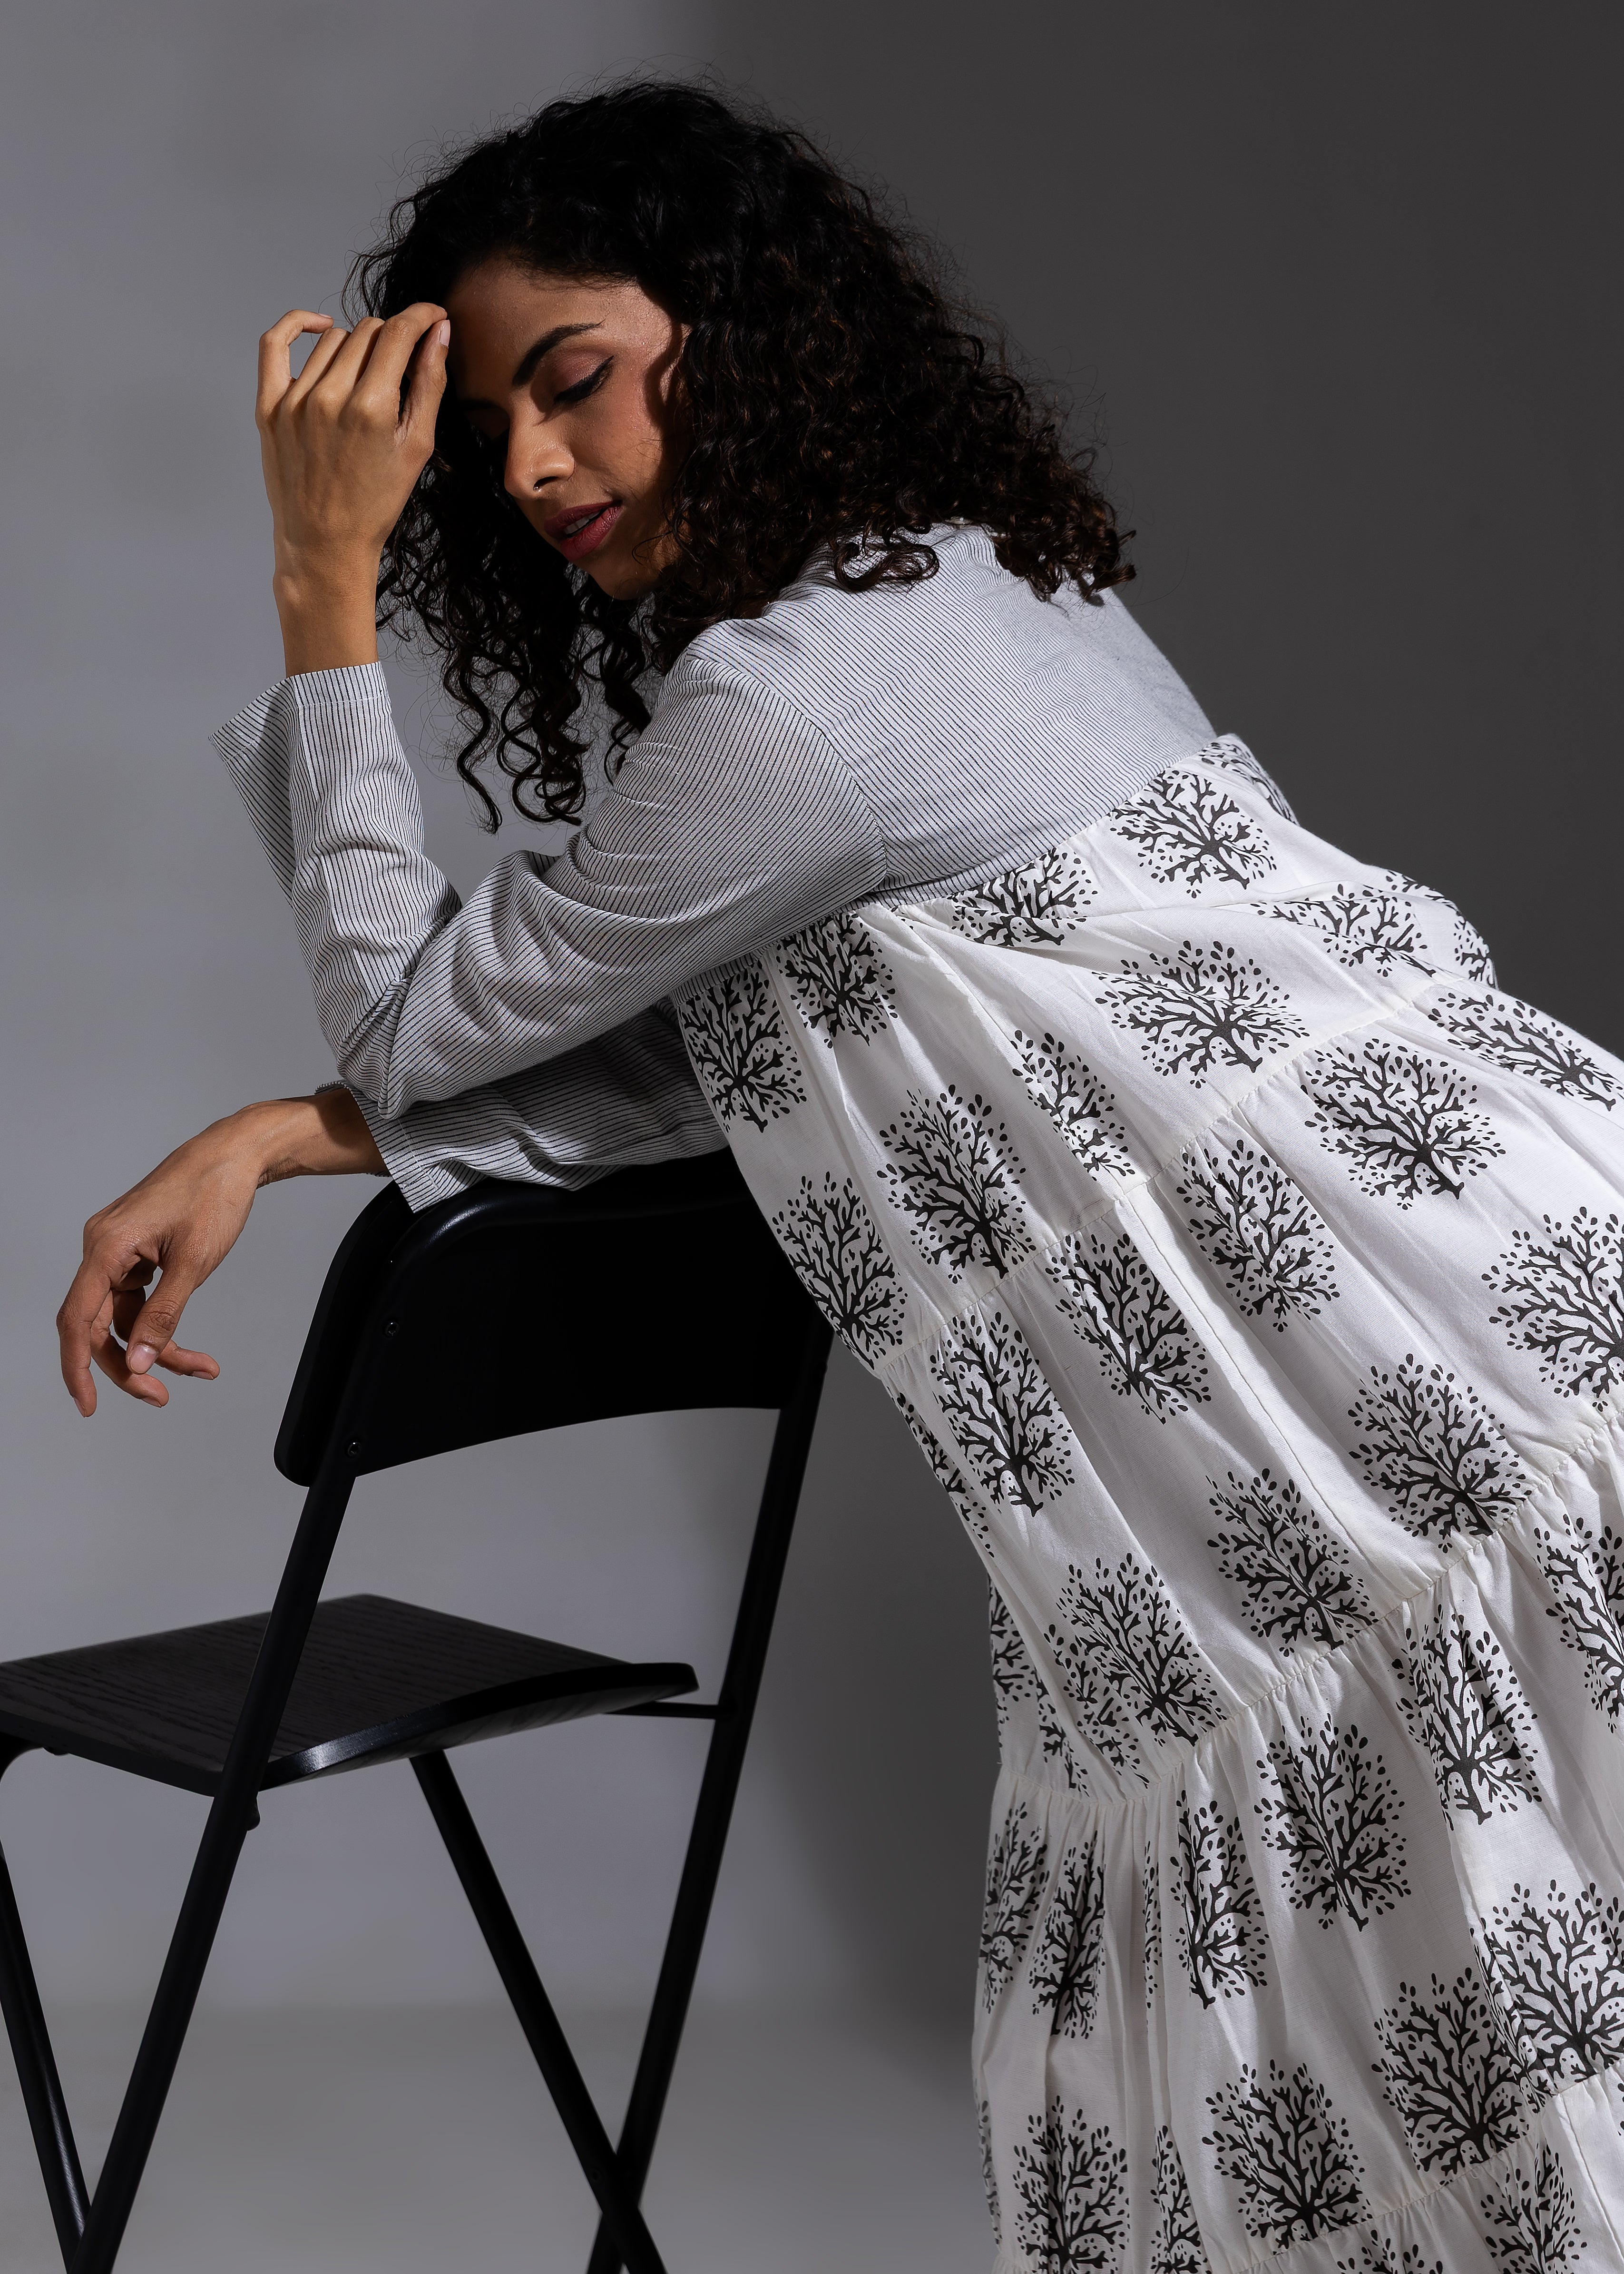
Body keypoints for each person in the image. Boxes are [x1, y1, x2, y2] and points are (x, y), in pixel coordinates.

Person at [56, 81, 1624, 2274]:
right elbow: (772, 1055)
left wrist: (324, 589)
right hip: (1418, 1334)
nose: (532, 469)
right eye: (493, 428)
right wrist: (273, 1136)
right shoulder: (954, 576)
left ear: (739, 322)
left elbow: (423, 1030)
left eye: (577, 380)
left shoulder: (789, 703)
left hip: (1401, 1399)